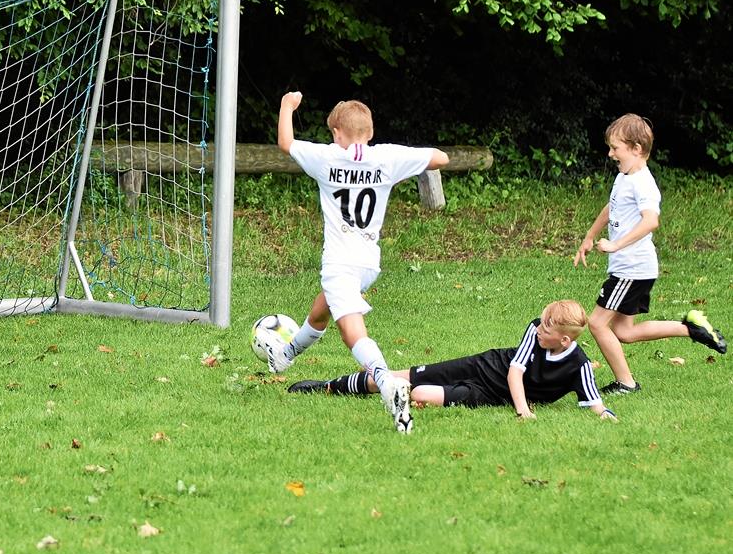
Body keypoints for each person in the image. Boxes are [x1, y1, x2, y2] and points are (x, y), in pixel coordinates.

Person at [263, 91, 449, 433]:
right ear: (372, 131)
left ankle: (386, 382)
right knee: (323, 307)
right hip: (368, 263)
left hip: (340, 261)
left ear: (336, 132)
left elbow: (286, 142)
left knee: (350, 331)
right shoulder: (387, 158)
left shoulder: (327, 157)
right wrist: (398, 164)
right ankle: (285, 355)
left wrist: (288, 106)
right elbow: (441, 158)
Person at [573, 114, 726, 395]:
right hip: (632, 268)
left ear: (637, 148)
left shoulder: (644, 183)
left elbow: (651, 220)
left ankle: (626, 383)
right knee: (624, 332)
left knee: (596, 323)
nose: (610, 153)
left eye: (615, 147)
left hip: (631, 269)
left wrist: (616, 246)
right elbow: (611, 208)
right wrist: (589, 237)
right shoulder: (624, 177)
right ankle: (692, 329)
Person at [287, 300, 618, 422]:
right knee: (402, 375)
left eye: (547, 327)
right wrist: (524, 411)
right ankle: (329, 386)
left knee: (416, 394)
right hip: (483, 367)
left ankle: (401, 399)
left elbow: (594, 403)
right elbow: (515, 372)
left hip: (488, 397)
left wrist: (606, 416)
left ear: (565, 340)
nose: (538, 327)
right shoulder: (535, 329)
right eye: (542, 321)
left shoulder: (580, 366)